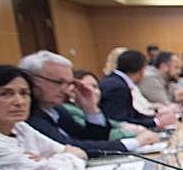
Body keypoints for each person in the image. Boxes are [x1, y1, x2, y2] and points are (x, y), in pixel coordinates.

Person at [20, 50, 157, 156]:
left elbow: (95, 138)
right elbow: (71, 146)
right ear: (32, 81)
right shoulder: (28, 115)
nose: (66, 89)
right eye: (59, 82)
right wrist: (135, 142)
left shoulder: (57, 110)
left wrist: (91, 109)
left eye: (69, 83)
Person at [0, 66, 89, 170]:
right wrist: (50, 161)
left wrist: (46, 159)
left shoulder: (20, 127)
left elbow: (77, 152)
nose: (19, 102)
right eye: (5, 94)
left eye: (24, 93)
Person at [100, 50, 177, 130]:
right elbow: (120, 120)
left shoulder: (117, 81)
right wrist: (156, 122)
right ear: (141, 70)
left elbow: (132, 113)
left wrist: (154, 118)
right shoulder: (117, 87)